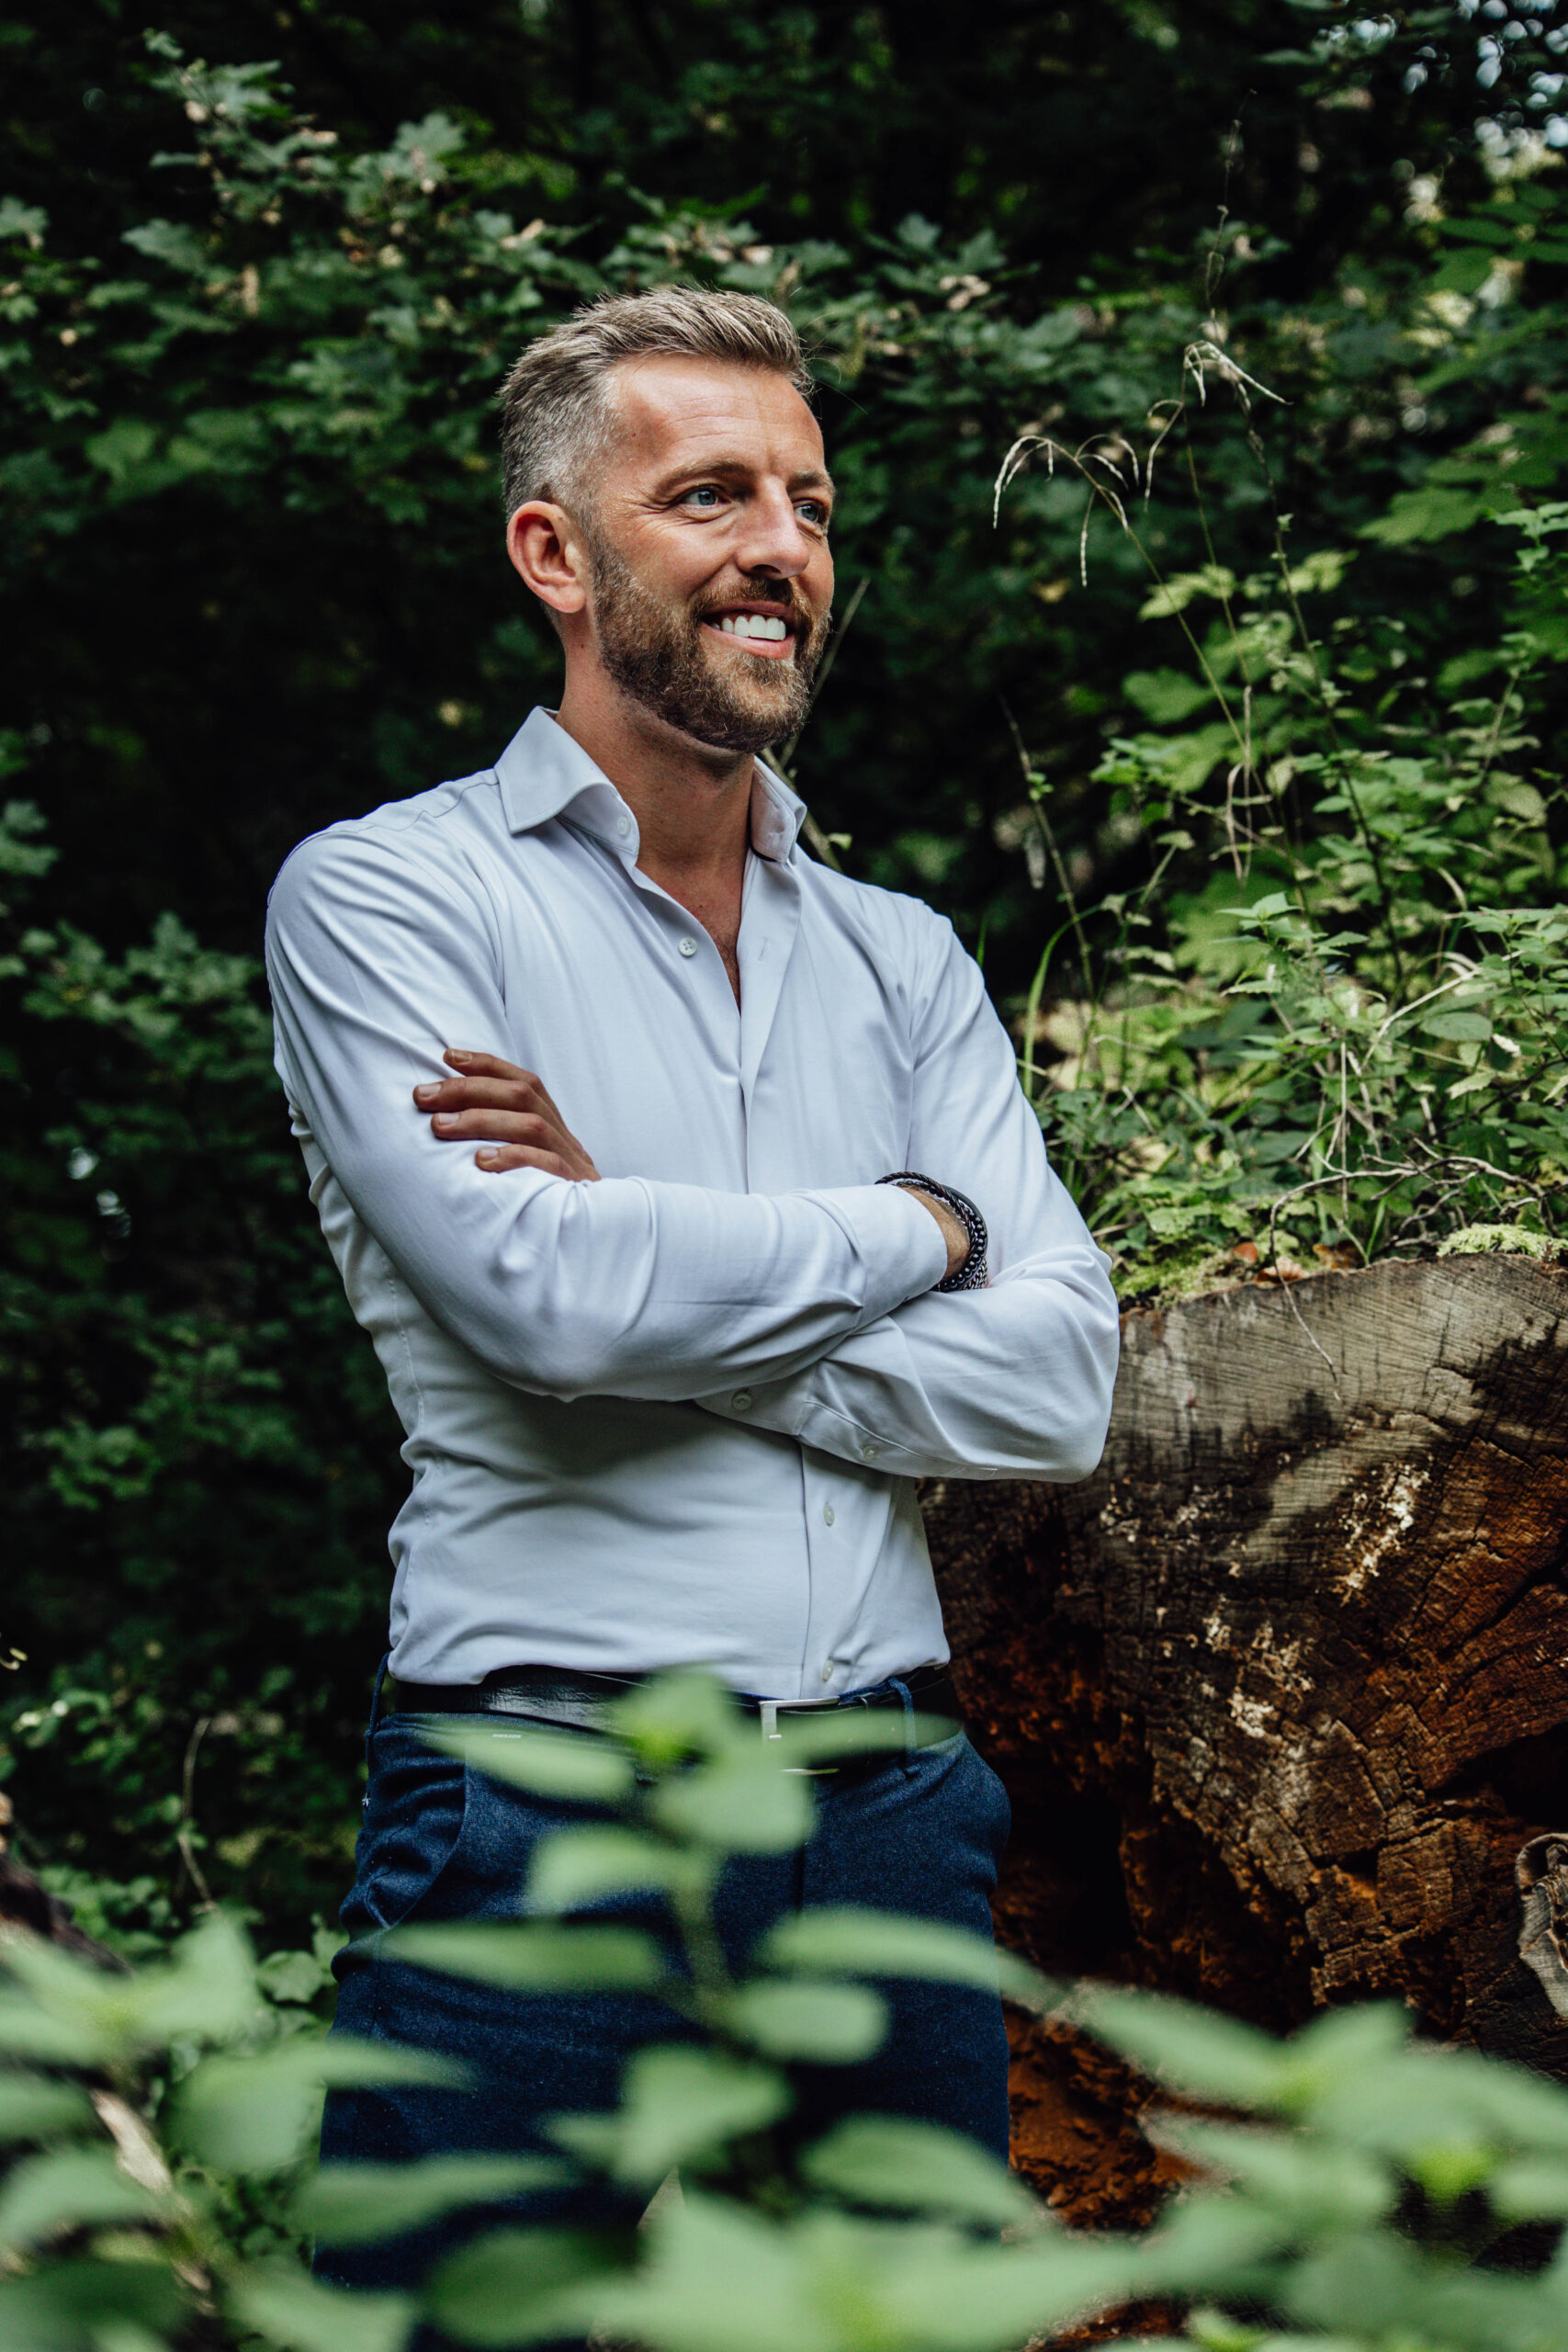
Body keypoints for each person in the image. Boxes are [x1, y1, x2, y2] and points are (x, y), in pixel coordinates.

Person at [264, 285, 1119, 2292]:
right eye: (711, 495)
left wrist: (656, 1272)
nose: (781, 549)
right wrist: (918, 1227)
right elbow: (548, 1308)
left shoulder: (902, 956)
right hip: (539, 1789)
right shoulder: (389, 897)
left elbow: (1058, 1380)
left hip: (888, 1800)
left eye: (809, 504)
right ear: (555, 553)